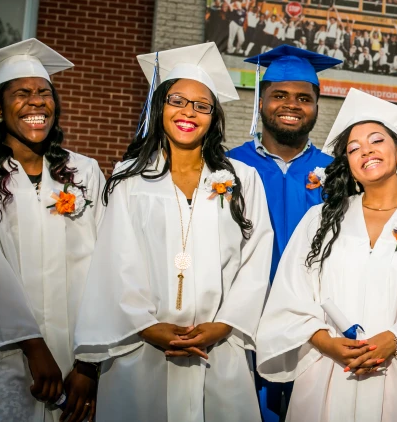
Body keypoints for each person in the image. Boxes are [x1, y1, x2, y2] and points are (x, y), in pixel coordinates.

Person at [73, 43, 273, 422]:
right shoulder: (130, 177)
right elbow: (114, 259)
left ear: (214, 117)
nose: (188, 112)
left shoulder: (241, 179)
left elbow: (256, 256)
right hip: (142, 345)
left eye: (202, 105)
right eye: (178, 100)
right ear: (160, 106)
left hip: (219, 347)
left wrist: (225, 323)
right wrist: (147, 325)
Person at [255, 88, 397, 421]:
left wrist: (394, 338)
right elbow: (290, 294)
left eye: (376, 141)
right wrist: (325, 341)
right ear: (349, 165)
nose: (365, 151)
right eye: (353, 148)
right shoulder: (320, 220)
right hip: (326, 370)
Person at [0, 39, 105, 422]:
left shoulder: (83, 172)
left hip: (75, 358)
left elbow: (104, 268)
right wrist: (32, 345)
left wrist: (88, 365)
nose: (36, 102)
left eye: (44, 93)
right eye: (22, 93)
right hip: (2, 353)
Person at [227, 45, 342, 422]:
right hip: (239, 325)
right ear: (261, 102)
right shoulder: (227, 166)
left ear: (316, 108)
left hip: (313, 331)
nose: (291, 105)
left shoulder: (340, 174)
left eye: (303, 98)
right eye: (279, 95)